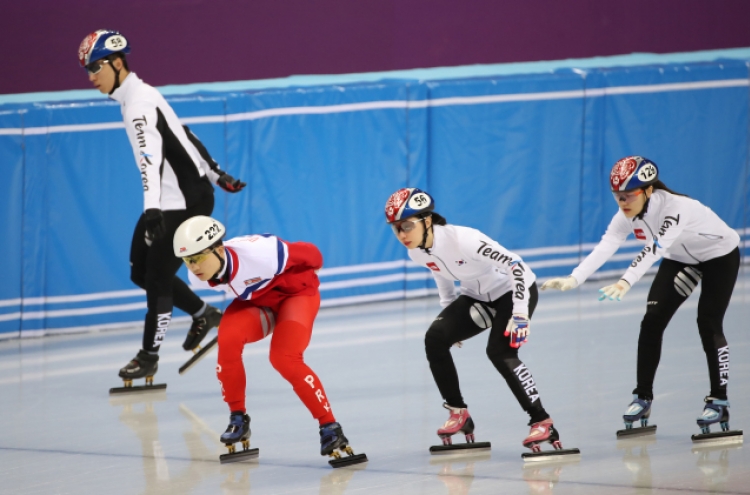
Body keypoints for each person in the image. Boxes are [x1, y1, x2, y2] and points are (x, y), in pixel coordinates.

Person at [78, 29, 247, 385]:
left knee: (156, 277)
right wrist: (217, 174)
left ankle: (149, 357)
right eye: (87, 70)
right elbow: (183, 133)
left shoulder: (138, 103)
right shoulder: (139, 96)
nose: (91, 76)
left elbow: (149, 160)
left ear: (118, 62)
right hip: (168, 199)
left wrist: (154, 208)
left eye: (96, 67)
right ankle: (204, 314)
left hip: (182, 203)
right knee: (139, 272)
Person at [541, 156, 741, 435]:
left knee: (708, 322)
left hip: (719, 255)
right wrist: (576, 277)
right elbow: (607, 244)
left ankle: (719, 399)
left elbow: (655, 248)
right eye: (617, 196)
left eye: (628, 195)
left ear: (647, 190)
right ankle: (642, 397)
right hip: (681, 258)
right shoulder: (626, 214)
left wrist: (625, 282)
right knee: (652, 320)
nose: (623, 202)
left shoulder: (676, 207)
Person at [385, 187, 573, 454]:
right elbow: (440, 272)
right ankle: (458, 412)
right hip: (476, 296)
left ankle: (542, 421)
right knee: (435, 338)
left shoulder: (464, 239)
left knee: (500, 352)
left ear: (427, 220)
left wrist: (520, 312)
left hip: (513, 290)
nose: (402, 234)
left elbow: (516, 265)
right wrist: (450, 315)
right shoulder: (416, 251)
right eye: (395, 228)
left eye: (406, 225)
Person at [172, 216, 366, 465]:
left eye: (198, 257)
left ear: (219, 249)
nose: (194, 266)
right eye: (187, 260)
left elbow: (313, 254)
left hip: (296, 295)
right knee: (228, 339)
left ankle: (330, 428)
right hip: (260, 303)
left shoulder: (261, 253)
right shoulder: (196, 277)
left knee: (283, 358)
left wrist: (309, 275)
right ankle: (238, 419)